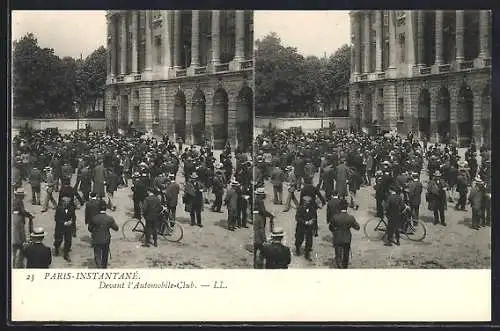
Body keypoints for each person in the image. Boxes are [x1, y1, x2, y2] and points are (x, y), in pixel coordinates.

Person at [329, 200, 360, 268]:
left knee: (338, 254)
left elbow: (330, 227)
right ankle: (345, 267)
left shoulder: (335, 217)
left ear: (339, 208)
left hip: (337, 237)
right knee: (346, 254)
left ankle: (339, 266)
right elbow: (357, 227)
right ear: (346, 208)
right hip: (347, 238)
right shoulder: (351, 217)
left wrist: (335, 231)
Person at [89, 200, 119, 268]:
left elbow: (90, 228)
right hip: (106, 239)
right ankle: (104, 267)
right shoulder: (109, 218)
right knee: (105, 254)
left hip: (96, 239)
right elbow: (116, 228)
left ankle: (99, 267)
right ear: (105, 209)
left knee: (97, 254)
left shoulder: (94, 218)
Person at [294, 196, 317, 261]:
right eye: (307, 202)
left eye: (309, 202)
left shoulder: (312, 209)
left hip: (309, 228)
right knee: (299, 239)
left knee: (309, 241)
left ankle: (307, 254)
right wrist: (305, 222)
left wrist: (313, 222)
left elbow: (315, 217)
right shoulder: (300, 208)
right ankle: (297, 248)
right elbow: (297, 218)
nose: (309, 203)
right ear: (304, 202)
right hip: (301, 227)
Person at [54, 197, 76, 261]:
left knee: (68, 240)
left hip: (68, 227)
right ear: (62, 202)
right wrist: (64, 223)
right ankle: (56, 248)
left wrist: (72, 222)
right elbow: (56, 219)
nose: (67, 203)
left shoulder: (71, 208)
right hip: (60, 227)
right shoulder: (59, 209)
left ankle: (66, 254)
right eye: (65, 202)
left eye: (68, 202)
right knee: (58, 239)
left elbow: (74, 217)